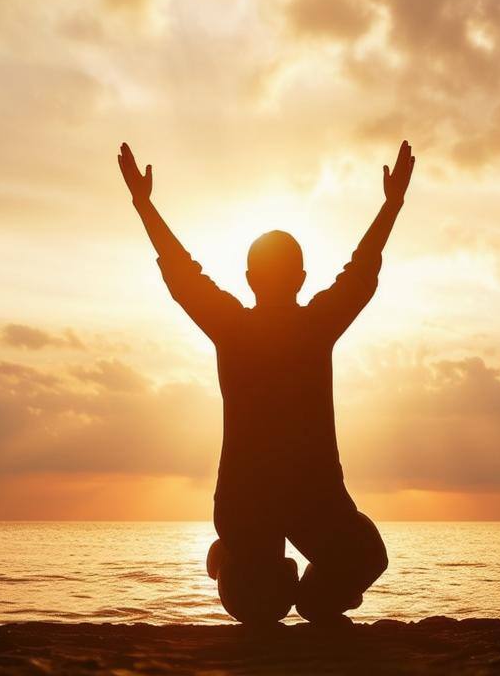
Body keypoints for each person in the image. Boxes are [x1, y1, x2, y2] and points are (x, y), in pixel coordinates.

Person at [118, 140, 415, 624]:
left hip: (304, 497)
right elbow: (360, 270)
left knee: (345, 572)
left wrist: (144, 204)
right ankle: (229, 557)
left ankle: (262, 569)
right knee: (266, 607)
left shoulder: (246, 324)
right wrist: (391, 204)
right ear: (299, 278)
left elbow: (182, 272)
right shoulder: (293, 324)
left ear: (250, 278)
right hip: (251, 500)